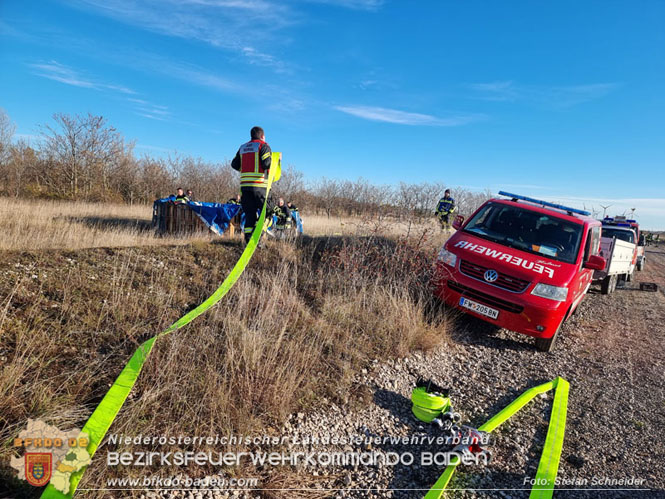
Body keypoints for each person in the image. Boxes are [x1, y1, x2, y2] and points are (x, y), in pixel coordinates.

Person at [231, 126, 272, 243]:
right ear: (262, 136)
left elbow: (234, 164)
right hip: (259, 185)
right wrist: (275, 161)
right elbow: (266, 164)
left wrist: (245, 169)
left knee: (249, 214)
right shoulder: (263, 146)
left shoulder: (243, 148)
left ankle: (248, 239)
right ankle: (259, 236)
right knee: (268, 211)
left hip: (245, 186)